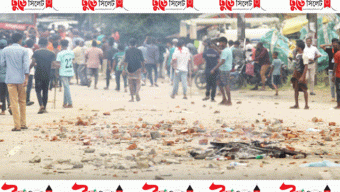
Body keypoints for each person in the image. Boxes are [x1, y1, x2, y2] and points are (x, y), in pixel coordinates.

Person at [0, 33, 30, 131]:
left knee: (13, 102)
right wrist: (26, 78)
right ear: (20, 40)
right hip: (21, 79)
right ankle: (23, 123)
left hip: (10, 78)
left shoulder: (5, 50)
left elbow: (2, 64)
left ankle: (17, 125)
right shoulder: (24, 50)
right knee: (22, 101)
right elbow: (26, 65)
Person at [31, 38, 56, 114]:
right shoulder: (51, 53)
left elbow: (33, 62)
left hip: (38, 73)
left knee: (38, 90)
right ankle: (44, 107)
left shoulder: (36, 52)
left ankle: (41, 104)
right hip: (47, 74)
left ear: (39, 44)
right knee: (45, 91)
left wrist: (29, 68)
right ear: (47, 44)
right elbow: (54, 65)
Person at [211, 37, 233, 105]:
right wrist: (215, 47)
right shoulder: (227, 50)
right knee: (219, 83)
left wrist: (214, 68)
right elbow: (220, 52)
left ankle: (229, 100)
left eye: (220, 43)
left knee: (226, 85)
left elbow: (222, 61)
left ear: (224, 43)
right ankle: (224, 98)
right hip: (223, 69)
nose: (219, 44)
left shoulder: (226, 51)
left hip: (225, 70)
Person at [290, 40, 309, 110]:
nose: (296, 47)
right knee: (296, 89)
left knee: (304, 89)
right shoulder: (297, 55)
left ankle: (306, 105)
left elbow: (306, 66)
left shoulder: (305, 56)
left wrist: (302, 76)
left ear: (300, 47)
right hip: (296, 73)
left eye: (297, 46)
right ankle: (296, 104)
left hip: (301, 73)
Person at [56, 40, 75, 108]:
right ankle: (64, 103)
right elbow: (73, 60)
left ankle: (70, 103)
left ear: (61, 45)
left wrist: (57, 72)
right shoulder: (71, 52)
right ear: (67, 45)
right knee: (66, 87)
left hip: (63, 71)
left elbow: (58, 63)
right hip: (70, 70)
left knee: (66, 87)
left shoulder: (60, 54)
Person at [0, 39, 10, 115]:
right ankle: (11, 106)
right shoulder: (8, 53)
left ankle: (3, 110)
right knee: (9, 93)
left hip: (0, 78)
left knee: (2, 94)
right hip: (9, 77)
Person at [25, 39, 35, 106]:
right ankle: (27, 100)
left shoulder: (24, 50)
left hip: (24, 70)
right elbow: (32, 62)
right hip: (30, 70)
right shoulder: (31, 51)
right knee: (29, 86)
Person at [332, 40, 340, 109]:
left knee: (338, 90)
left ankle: (338, 105)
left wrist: (333, 75)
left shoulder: (337, 54)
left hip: (338, 74)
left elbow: (335, 64)